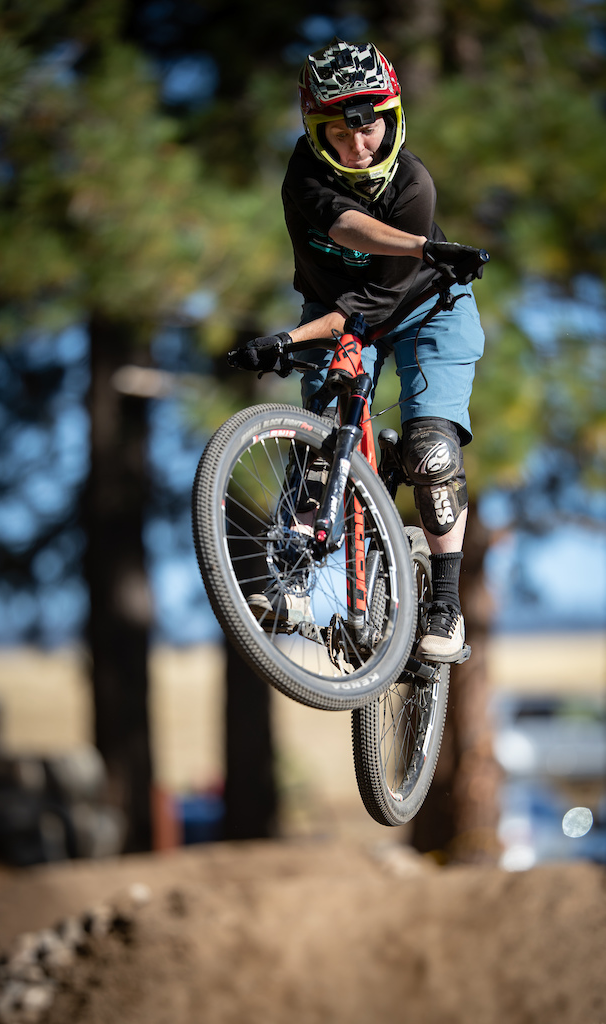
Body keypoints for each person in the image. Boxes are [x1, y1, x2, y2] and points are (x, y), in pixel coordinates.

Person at [240, 39, 487, 663]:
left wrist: (291, 341)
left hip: (429, 311)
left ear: (392, 117)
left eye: (369, 126)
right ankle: (290, 577)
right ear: (313, 130)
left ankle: (446, 603)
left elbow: (373, 304)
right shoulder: (304, 174)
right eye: (338, 132)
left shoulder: (414, 184)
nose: (358, 147)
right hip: (336, 317)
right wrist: (419, 245)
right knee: (323, 435)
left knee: (431, 451)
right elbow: (342, 224)